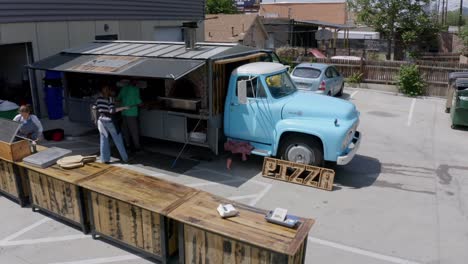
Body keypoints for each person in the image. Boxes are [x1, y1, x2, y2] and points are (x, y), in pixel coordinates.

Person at [96, 83, 129, 164]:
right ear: (109, 91)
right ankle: (125, 158)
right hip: (109, 121)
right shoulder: (110, 99)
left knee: (103, 140)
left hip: (101, 121)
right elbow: (111, 111)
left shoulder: (98, 99)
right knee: (118, 140)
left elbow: (94, 107)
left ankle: (104, 159)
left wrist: (95, 120)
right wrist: (123, 108)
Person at [117, 79, 142, 152]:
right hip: (132, 113)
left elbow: (118, 98)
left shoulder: (124, 88)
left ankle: (127, 144)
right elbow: (138, 101)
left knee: (126, 130)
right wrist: (142, 103)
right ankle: (137, 147)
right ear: (135, 82)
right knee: (134, 130)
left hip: (124, 113)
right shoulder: (135, 89)